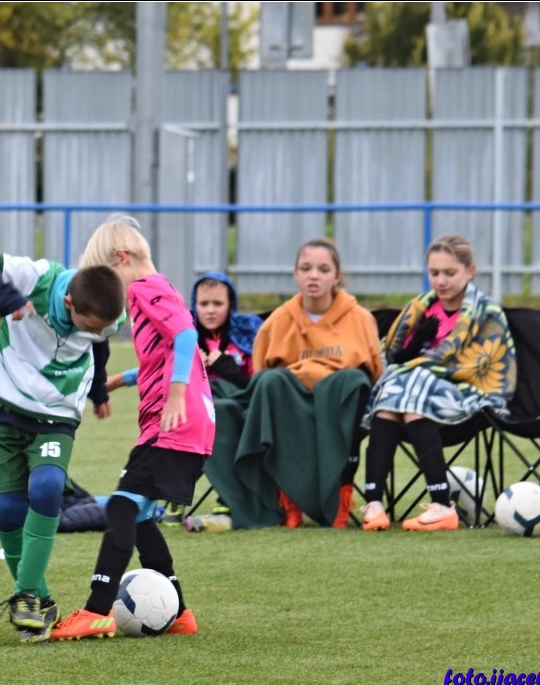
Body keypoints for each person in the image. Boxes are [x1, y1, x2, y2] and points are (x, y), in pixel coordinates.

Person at [50, 214, 214, 640]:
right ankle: (178, 611)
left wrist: (176, 393)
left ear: (121, 259)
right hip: (191, 427)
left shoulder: (144, 289)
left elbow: (185, 339)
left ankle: (96, 610)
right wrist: (118, 381)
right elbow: (161, 357)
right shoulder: (163, 290)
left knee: (122, 507)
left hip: (173, 422)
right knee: (138, 515)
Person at [0, 242, 125, 643]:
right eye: (88, 325)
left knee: (47, 487)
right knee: (6, 509)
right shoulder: (39, 277)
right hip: (3, 406)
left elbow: (99, 346)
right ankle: (42, 601)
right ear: (68, 303)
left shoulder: (107, 317)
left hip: (57, 414)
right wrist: (4, 296)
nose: (97, 332)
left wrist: (98, 390)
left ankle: (25, 595)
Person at [201, 238, 384, 530]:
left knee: (353, 382)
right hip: (287, 405)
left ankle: (341, 494)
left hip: (338, 404)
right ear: (295, 274)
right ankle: (288, 500)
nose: (314, 275)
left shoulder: (359, 318)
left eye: (323, 269)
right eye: (306, 268)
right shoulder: (278, 321)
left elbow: (373, 370)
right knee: (272, 383)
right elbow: (260, 375)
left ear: (336, 276)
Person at [360, 234, 517, 532]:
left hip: (468, 392)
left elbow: (485, 364)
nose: (441, 281)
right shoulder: (420, 308)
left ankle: (443, 504)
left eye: (449, 273)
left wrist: (422, 369)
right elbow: (394, 357)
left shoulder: (487, 313)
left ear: (469, 271)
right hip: (412, 395)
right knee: (392, 395)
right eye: (434, 273)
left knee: (411, 386)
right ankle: (374, 503)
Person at [106, 271, 263, 524]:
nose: (210, 311)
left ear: (230, 305)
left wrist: (225, 366)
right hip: (192, 408)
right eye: (203, 304)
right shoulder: (186, 333)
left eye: (218, 304)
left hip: (237, 409)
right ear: (193, 305)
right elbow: (157, 367)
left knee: (220, 412)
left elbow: (256, 383)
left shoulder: (241, 340)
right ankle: (171, 494)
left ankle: (226, 497)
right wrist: (117, 381)